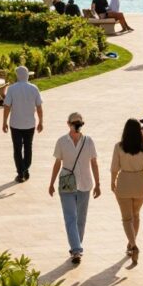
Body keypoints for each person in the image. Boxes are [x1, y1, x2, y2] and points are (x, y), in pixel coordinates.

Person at [48, 112, 100, 265]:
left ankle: (76, 246)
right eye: (74, 123)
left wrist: (98, 184)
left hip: (85, 184)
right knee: (70, 217)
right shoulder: (62, 141)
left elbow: (94, 163)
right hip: (67, 183)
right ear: (68, 123)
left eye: (79, 123)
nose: (76, 126)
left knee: (81, 219)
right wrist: (51, 183)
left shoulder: (89, 141)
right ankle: (76, 249)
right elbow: (58, 162)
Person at [110, 119, 143, 265]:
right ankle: (131, 244)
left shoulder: (119, 147)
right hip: (140, 183)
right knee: (135, 215)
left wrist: (112, 181)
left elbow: (114, 167)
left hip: (124, 181)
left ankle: (133, 245)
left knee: (126, 218)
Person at [1, 66, 43, 183]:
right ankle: (24, 170)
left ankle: (21, 172)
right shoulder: (34, 88)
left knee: (17, 149)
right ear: (27, 75)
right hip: (30, 124)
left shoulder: (12, 89)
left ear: (17, 75)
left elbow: (7, 107)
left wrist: (4, 122)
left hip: (15, 124)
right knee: (28, 147)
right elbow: (39, 107)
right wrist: (41, 121)